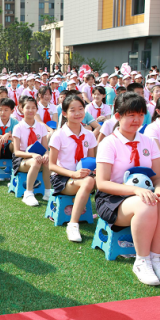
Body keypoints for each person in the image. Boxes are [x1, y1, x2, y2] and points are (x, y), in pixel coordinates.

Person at [95, 92, 160, 286]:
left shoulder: (147, 141)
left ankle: (155, 257)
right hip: (112, 199)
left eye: (140, 115)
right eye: (131, 115)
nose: (136, 120)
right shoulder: (109, 143)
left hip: (143, 194)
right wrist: (136, 191)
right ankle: (141, 260)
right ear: (118, 116)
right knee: (145, 204)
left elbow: (158, 177)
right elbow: (102, 183)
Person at [48, 94, 97, 242]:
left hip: (82, 176)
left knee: (105, 179)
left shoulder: (89, 135)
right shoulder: (58, 135)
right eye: (72, 110)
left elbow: (91, 160)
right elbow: (51, 165)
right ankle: (73, 224)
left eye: (81, 109)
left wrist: (93, 171)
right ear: (64, 113)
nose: (77, 113)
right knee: (88, 182)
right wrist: (73, 174)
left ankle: (110, 217)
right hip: (62, 178)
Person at [12, 96, 52, 207]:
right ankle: (28, 193)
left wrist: (47, 155)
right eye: (27, 107)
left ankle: (48, 192)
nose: (30, 110)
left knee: (47, 161)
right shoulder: (18, 127)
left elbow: (45, 148)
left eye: (33, 107)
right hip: (22, 159)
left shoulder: (41, 127)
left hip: (37, 157)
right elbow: (17, 152)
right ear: (21, 108)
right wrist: (32, 155)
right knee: (36, 161)